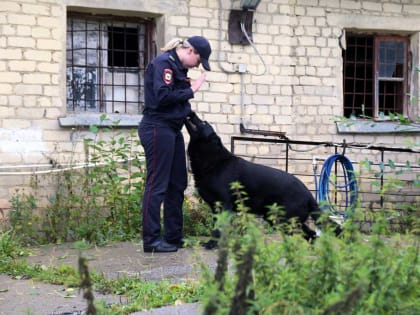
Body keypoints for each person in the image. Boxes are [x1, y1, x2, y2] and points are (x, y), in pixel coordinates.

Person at [138, 36, 212, 253]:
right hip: (157, 128)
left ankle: (173, 236)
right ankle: (151, 241)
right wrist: (192, 90)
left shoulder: (177, 68)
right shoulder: (163, 64)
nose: (198, 65)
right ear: (190, 51)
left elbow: (173, 95)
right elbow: (161, 97)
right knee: (156, 185)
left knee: (177, 183)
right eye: (199, 60)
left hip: (172, 129)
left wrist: (184, 88)